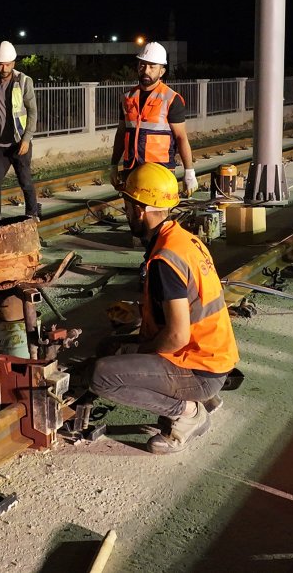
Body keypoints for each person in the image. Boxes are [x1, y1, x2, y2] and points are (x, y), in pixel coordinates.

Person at [89, 162, 239, 454]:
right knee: (110, 346)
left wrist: (138, 354)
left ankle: (188, 414)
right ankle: (202, 399)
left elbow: (177, 337)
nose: (127, 212)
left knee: (102, 375)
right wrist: (138, 312)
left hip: (198, 367)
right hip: (211, 357)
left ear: (140, 210)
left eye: (128, 205)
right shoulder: (182, 239)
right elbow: (184, 305)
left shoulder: (164, 261)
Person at [109, 41, 197, 196]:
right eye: (142, 65)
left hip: (159, 173)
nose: (146, 70)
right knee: (134, 218)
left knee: (156, 218)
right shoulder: (127, 98)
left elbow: (181, 137)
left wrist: (189, 172)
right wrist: (114, 165)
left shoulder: (171, 99)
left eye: (152, 67)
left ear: (161, 71)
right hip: (131, 171)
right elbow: (121, 134)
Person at [0, 40, 39, 220]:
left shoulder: (24, 81)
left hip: (19, 142)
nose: (3, 68)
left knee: (25, 181)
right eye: (0, 64)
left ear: (13, 63)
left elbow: (32, 111)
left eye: (7, 64)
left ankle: (32, 215)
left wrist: (26, 139)